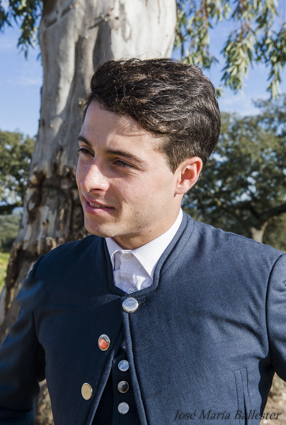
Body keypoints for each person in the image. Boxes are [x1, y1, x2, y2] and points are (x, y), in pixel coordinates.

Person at [0, 58, 285, 425]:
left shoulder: (262, 280)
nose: (88, 181)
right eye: (86, 151)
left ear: (185, 175)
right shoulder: (51, 274)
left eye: (120, 162)